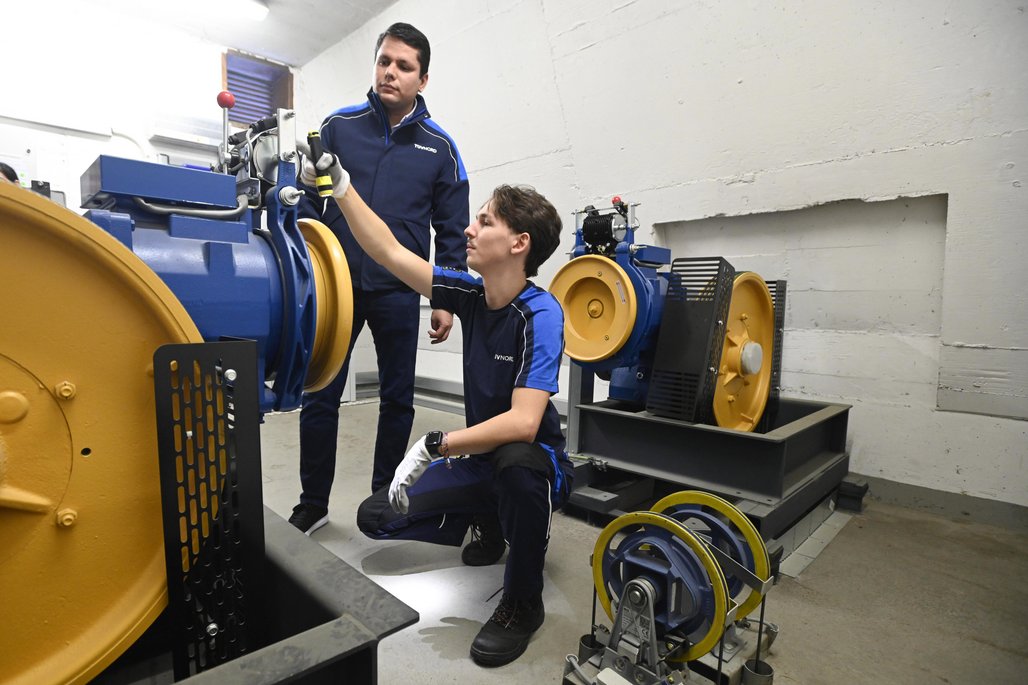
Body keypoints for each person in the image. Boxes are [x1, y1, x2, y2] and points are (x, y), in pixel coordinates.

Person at [297, 143, 572, 667]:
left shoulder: (540, 313)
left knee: (516, 466)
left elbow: (524, 422)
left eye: (484, 221)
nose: (468, 229)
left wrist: (434, 445)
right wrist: (341, 184)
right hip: (484, 459)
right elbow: (390, 253)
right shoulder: (471, 293)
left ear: (519, 243)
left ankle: (522, 600)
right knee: (378, 516)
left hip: (535, 463)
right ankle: (488, 519)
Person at [290, 22, 470, 535]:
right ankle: (312, 502)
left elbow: (451, 229)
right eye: (384, 61)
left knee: (397, 400)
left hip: (397, 291)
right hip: (337, 289)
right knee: (320, 393)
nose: (391, 72)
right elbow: (307, 205)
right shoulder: (339, 128)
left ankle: (380, 501)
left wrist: (445, 298)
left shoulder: (440, 148)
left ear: (423, 79)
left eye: (404, 66)